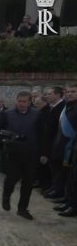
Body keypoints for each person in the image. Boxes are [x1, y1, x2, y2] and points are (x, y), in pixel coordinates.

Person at [0, 91, 44, 220]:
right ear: (16, 101)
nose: (22, 104)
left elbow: (42, 134)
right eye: (20, 101)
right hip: (13, 154)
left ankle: (22, 209)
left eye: (25, 102)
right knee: (10, 180)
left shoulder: (37, 115)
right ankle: (6, 196)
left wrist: (43, 153)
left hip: (31, 154)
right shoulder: (7, 114)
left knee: (28, 184)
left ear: (30, 102)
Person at [53, 84, 77, 216]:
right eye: (67, 92)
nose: (69, 94)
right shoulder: (68, 107)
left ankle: (73, 206)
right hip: (67, 147)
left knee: (74, 179)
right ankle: (69, 202)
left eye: (73, 91)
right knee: (69, 178)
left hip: (73, 147)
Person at [42, 87, 67, 199]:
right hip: (50, 143)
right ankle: (54, 187)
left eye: (49, 94)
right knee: (53, 168)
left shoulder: (63, 107)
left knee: (58, 169)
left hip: (58, 142)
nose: (47, 96)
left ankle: (58, 191)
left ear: (57, 95)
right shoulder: (51, 107)